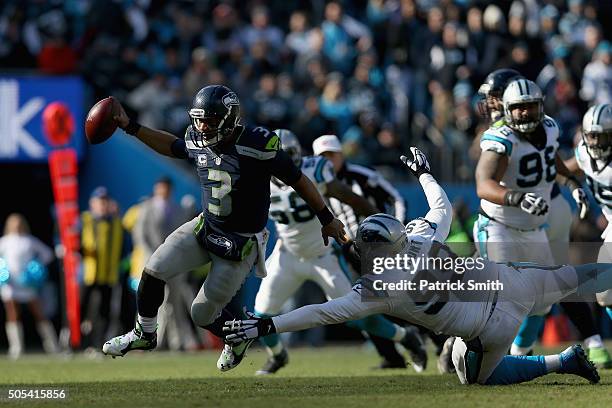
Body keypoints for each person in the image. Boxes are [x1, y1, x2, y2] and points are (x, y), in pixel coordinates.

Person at [223, 148, 607, 386]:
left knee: (475, 378)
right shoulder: (419, 233)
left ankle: (562, 361)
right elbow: (439, 205)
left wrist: (265, 325)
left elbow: (321, 313)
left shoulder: (380, 287)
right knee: (578, 276)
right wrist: (423, 171)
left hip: (489, 329)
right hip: (513, 283)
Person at [102, 85, 347, 372]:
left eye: (210, 120)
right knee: (154, 268)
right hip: (205, 228)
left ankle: (239, 337)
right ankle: (144, 333)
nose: (203, 127)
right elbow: (173, 147)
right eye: (199, 119)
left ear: (230, 119)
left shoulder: (256, 144)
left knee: (202, 313)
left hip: (240, 243)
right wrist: (131, 127)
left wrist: (327, 218)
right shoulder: (198, 137)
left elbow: (298, 179)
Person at [254, 129, 425, 375]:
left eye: (285, 156)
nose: (280, 163)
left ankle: (405, 336)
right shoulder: (258, 179)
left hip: (323, 255)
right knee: (262, 315)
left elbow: (348, 197)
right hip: (287, 255)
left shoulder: (314, 170)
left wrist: (377, 217)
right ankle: (278, 357)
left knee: (356, 314)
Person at [476, 73, 611, 365]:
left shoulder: (548, 127)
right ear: (508, 108)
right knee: (502, 298)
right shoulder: (501, 137)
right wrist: (518, 197)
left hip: (534, 227)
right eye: (518, 107)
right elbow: (483, 184)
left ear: (541, 106)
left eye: (530, 106)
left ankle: (518, 356)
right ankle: (468, 349)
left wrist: (573, 184)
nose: (524, 113)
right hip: (500, 225)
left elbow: (553, 161)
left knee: (544, 300)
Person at [312, 133, 424, 369]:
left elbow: (396, 197)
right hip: (349, 250)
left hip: (382, 246)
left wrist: (397, 231)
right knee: (360, 305)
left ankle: (441, 341)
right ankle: (391, 357)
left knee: (407, 296)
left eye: (332, 155)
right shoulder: (315, 184)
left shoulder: (361, 176)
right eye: (323, 157)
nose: (329, 162)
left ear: (341, 155)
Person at [567, 103, 612, 351]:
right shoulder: (584, 154)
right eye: (591, 135)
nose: (596, 142)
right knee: (604, 294)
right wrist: (574, 188)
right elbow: (564, 168)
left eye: (602, 135)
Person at [0, 213, 58, 359]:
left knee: (39, 312)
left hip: (28, 283)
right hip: (10, 284)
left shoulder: (29, 240)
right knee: (13, 314)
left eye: (19, 223)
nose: (16, 226)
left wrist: (35, 268)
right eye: (13, 223)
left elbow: (47, 254)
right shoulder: (5, 241)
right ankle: (16, 348)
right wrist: (3, 270)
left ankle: (52, 346)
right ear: (9, 225)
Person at [80, 187, 125, 351]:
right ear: (92, 203)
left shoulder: (116, 222)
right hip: (87, 274)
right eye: (100, 201)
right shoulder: (84, 220)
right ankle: (76, 344)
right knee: (82, 310)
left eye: (105, 201)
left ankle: (98, 345)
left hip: (109, 275)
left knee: (104, 312)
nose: (103, 205)